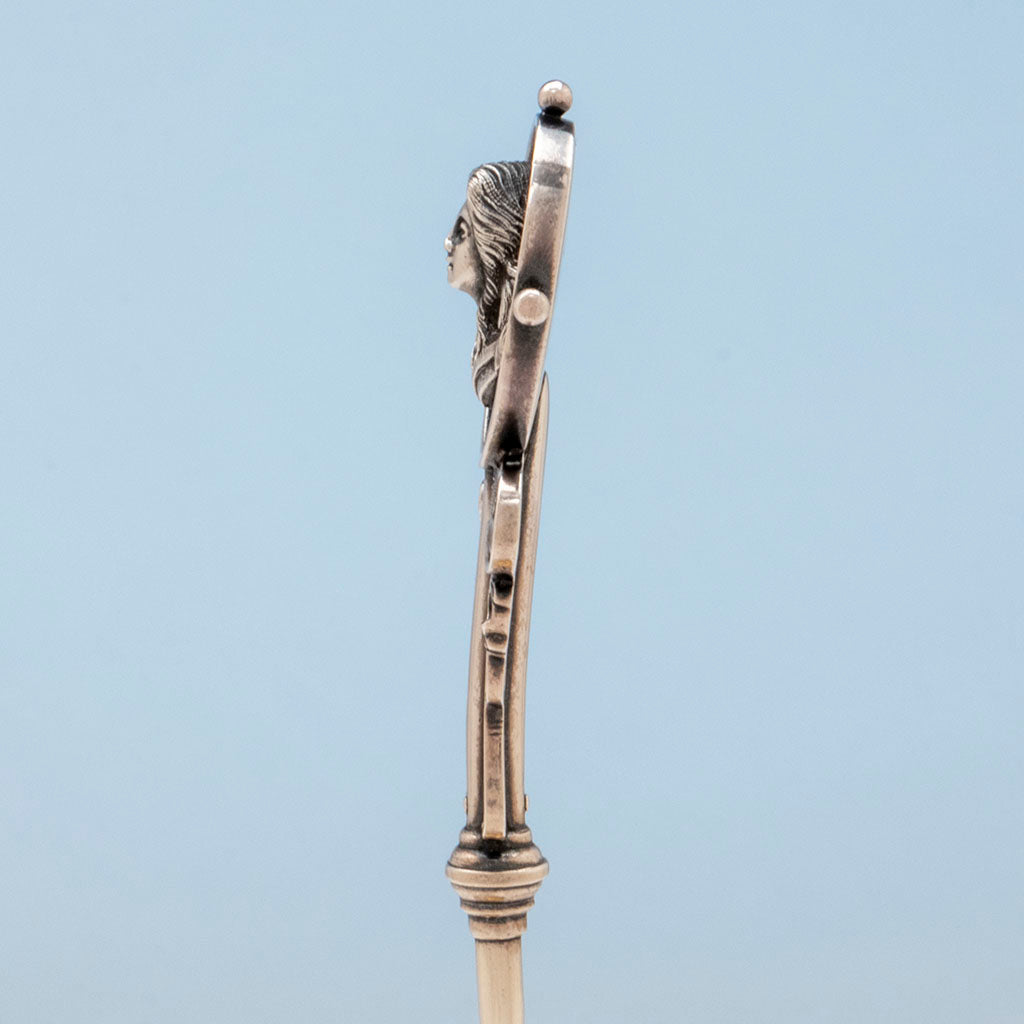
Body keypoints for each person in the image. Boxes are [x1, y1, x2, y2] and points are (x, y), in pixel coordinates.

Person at [444, 161, 529, 407]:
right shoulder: (490, 343)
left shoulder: (509, 343)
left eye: (461, 232)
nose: (448, 242)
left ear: (490, 242)